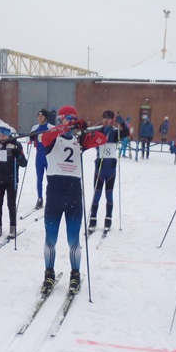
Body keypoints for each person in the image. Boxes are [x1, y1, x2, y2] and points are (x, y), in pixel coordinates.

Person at [39, 105, 107, 295]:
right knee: (51, 238)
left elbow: (102, 139)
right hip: (55, 194)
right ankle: (49, 274)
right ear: (60, 119)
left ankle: (75, 274)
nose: (70, 120)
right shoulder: (52, 137)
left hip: (73, 196)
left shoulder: (80, 140)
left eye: (73, 117)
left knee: (73, 239)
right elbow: (45, 138)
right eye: (66, 117)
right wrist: (66, 126)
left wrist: (86, 130)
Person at [88, 110, 129, 233]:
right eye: (104, 118)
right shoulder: (98, 131)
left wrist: (122, 123)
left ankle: (108, 219)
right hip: (99, 168)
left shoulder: (115, 133)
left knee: (109, 196)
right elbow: (88, 139)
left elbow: (126, 133)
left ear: (112, 120)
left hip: (110, 169)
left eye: (109, 118)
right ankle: (93, 220)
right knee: (96, 195)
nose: (106, 120)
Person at [29, 108, 53, 209]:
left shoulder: (51, 127)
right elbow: (30, 139)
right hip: (39, 157)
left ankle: (51, 198)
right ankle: (39, 198)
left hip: (48, 158)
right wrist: (31, 137)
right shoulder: (35, 128)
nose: (39, 118)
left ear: (45, 117)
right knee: (39, 179)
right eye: (38, 116)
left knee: (50, 179)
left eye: (42, 116)